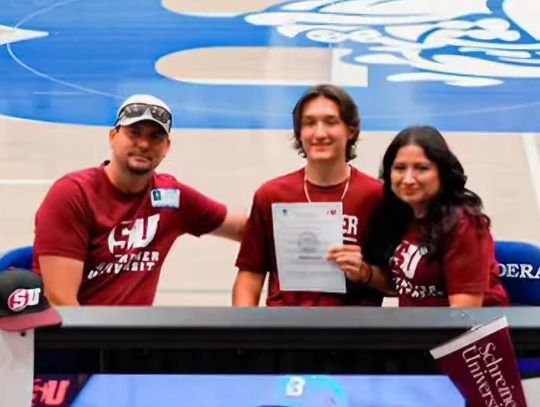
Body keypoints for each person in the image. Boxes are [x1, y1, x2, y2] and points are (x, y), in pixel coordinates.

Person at [33, 94, 246, 306]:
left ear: (167, 147)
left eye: (156, 137)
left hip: (135, 334)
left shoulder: (170, 198)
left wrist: (277, 211)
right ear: (112, 136)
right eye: (134, 133)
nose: (144, 144)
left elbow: (242, 228)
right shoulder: (74, 195)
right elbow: (60, 301)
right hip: (75, 334)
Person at [233, 84, 383, 307]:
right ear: (298, 132)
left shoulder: (376, 196)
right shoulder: (271, 195)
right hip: (284, 333)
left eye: (331, 122)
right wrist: (245, 337)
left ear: (351, 131)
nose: (319, 133)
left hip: (353, 335)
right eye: (309, 123)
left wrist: (365, 272)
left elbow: (397, 283)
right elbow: (250, 277)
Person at [361, 125, 509, 307]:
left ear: (442, 172)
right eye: (399, 168)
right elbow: (406, 285)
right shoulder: (402, 215)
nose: (408, 179)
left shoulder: (463, 224)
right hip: (422, 329)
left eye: (421, 168)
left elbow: (464, 315)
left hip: (468, 332)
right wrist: (364, 272)